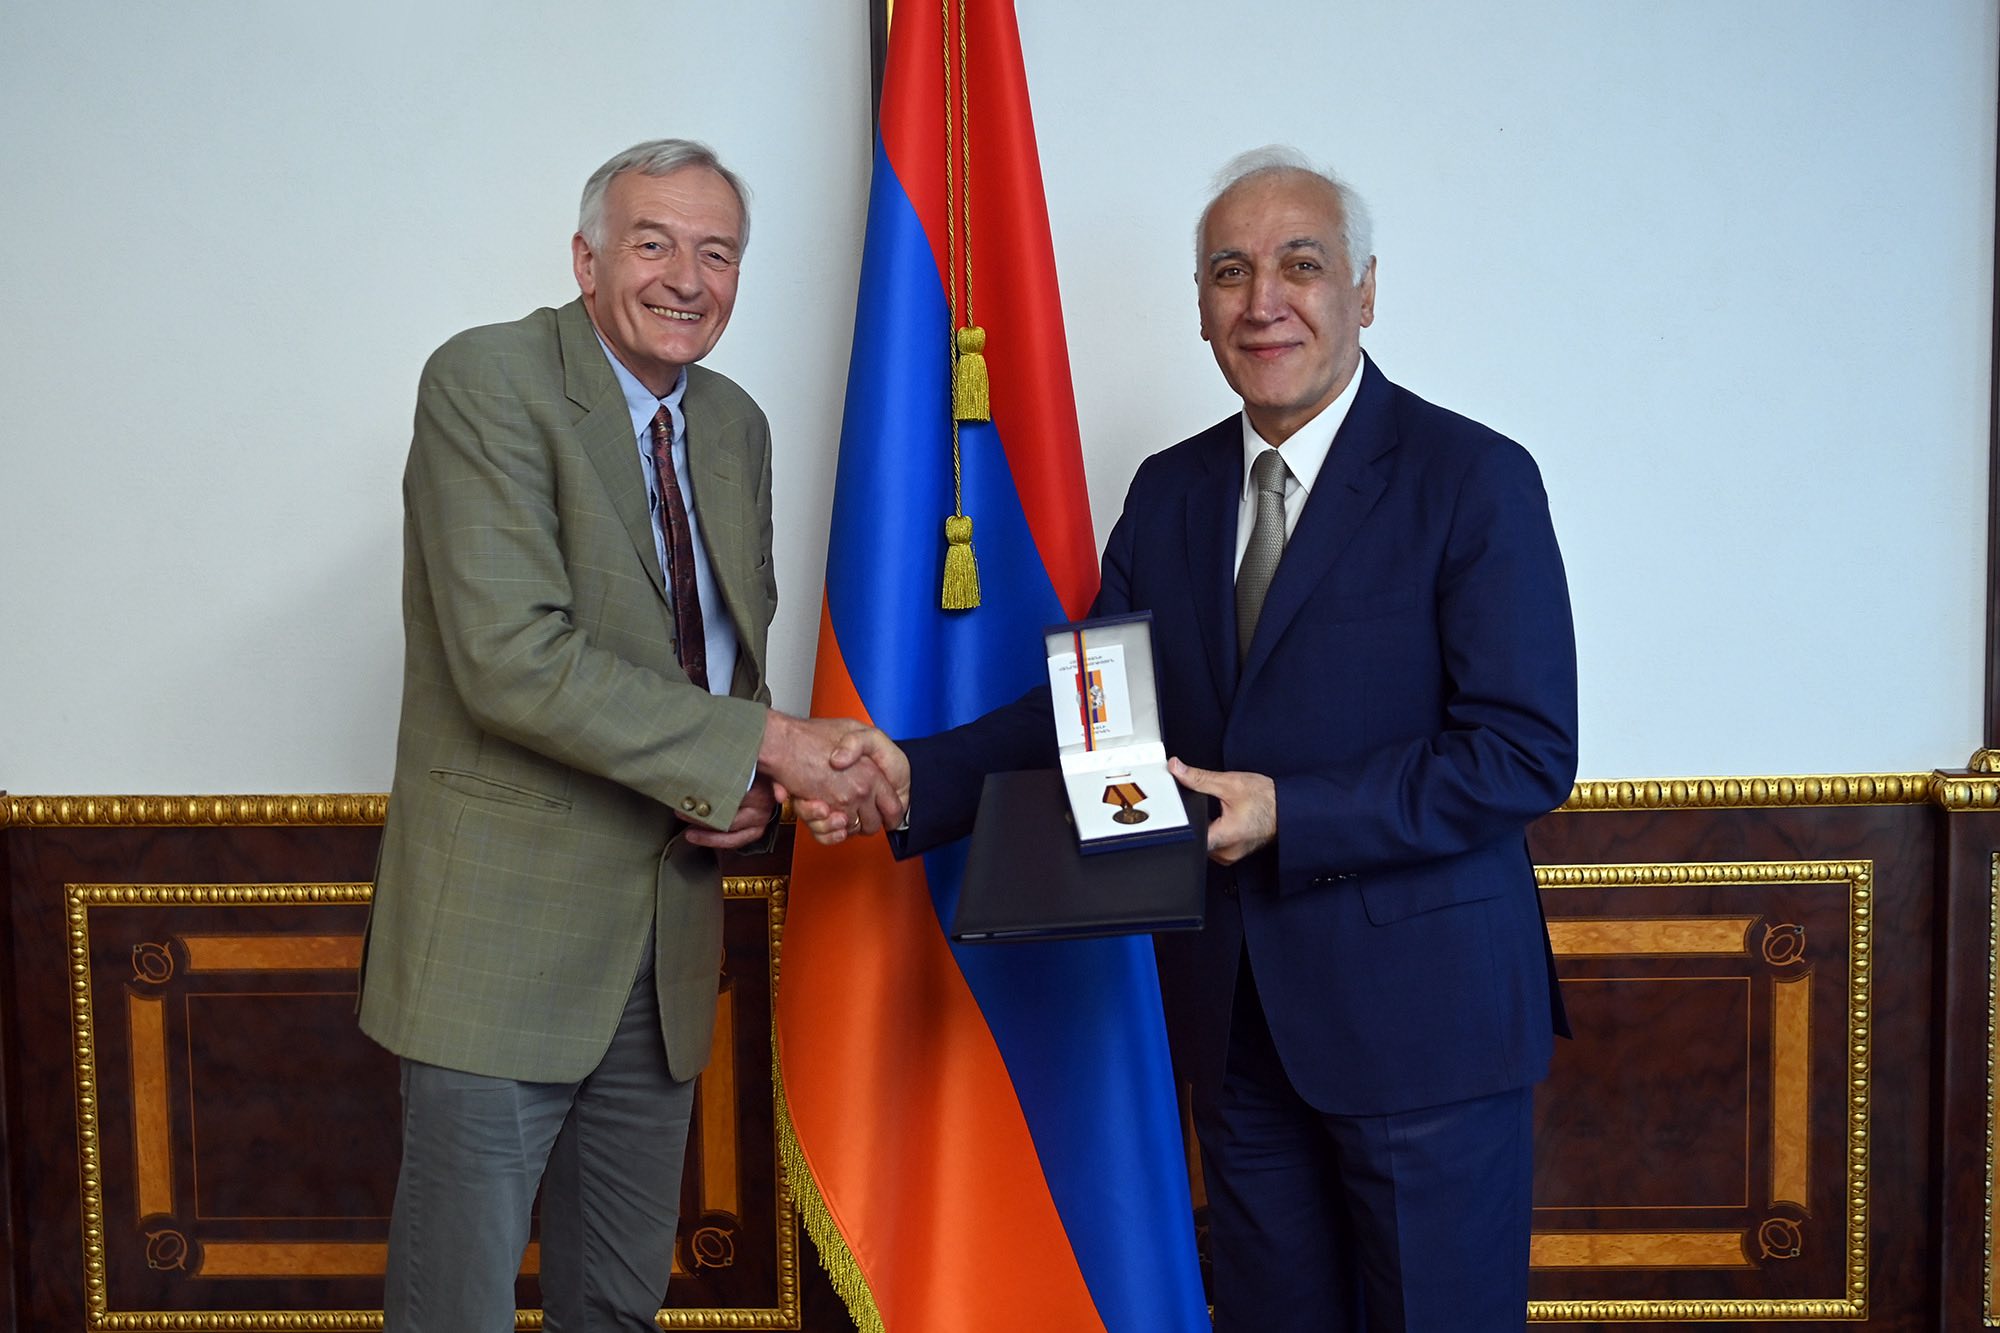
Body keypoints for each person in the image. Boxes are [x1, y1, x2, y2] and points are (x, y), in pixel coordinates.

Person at [809, 146, 1578, 1331]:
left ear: (1363, 290)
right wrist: (919, 772)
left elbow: (1521, 751)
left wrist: (1290, 810)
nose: (1260, 299)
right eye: (1228, 271)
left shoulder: (1470, 478)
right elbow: (1096, 711)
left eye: (1298, 265)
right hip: (1232, 1024)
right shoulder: (1169, 491)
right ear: (1202, 309)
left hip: (1425, 1032)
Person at [358, 139, 900, 1333]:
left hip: (659, 951)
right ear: (586, 258)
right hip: (497, 947)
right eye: (653, 243)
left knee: (618, 1304)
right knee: (455, 1306)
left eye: (717, 252)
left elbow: (716, 665)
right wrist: (760, 745)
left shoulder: (736, 426)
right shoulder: (487, 380)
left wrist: (742, 790)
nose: (686, 278)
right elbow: (513, 661)